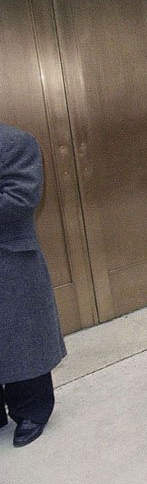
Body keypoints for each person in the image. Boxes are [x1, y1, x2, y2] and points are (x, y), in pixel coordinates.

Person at [0, 124, 67, 447]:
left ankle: (32, 411)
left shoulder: (16, 142)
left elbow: (20, 198)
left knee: (20, 340)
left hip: (9, 258)